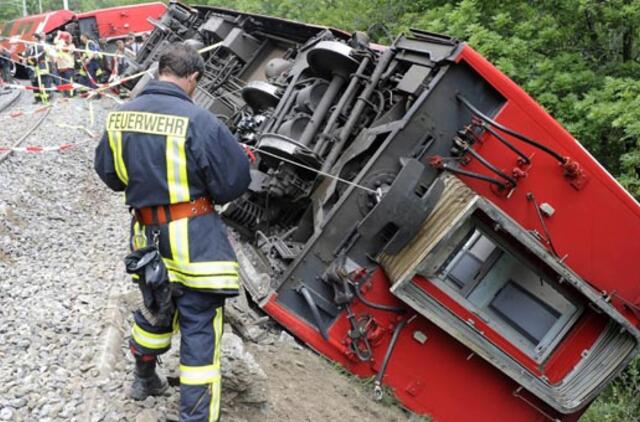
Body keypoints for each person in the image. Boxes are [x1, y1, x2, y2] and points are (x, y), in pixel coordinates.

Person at [94, 43, 250, 421]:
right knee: (199, 328)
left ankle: (144, 378)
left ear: (159, 70)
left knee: (154, 306)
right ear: (193, 78)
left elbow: (110, 175)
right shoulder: (200, 121)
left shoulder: (119, 117)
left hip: (147, 239)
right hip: (195, 242)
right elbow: (232, 185)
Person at [24, 33, 52, 104]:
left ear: (37, 38)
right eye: (32, 38)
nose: (32, 39)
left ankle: (46, 97)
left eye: (33, 38)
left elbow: (40, 55)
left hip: (42, 67)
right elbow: (27, 56)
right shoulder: (31, 47)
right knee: (35, 83)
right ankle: (38, 98)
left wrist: (31, 58)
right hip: (33, 69)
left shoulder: (41, 46)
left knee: (44, 82)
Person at [53, 31, 75, 97]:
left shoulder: (71, 46)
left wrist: (61, 40)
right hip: (61, 67)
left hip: (68, 67)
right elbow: (55, 41)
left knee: (69, 81)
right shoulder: (60, 45)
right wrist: (58, 35)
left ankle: (70, 94)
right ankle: (65, 94)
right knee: (63, 82)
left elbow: (65, 49)